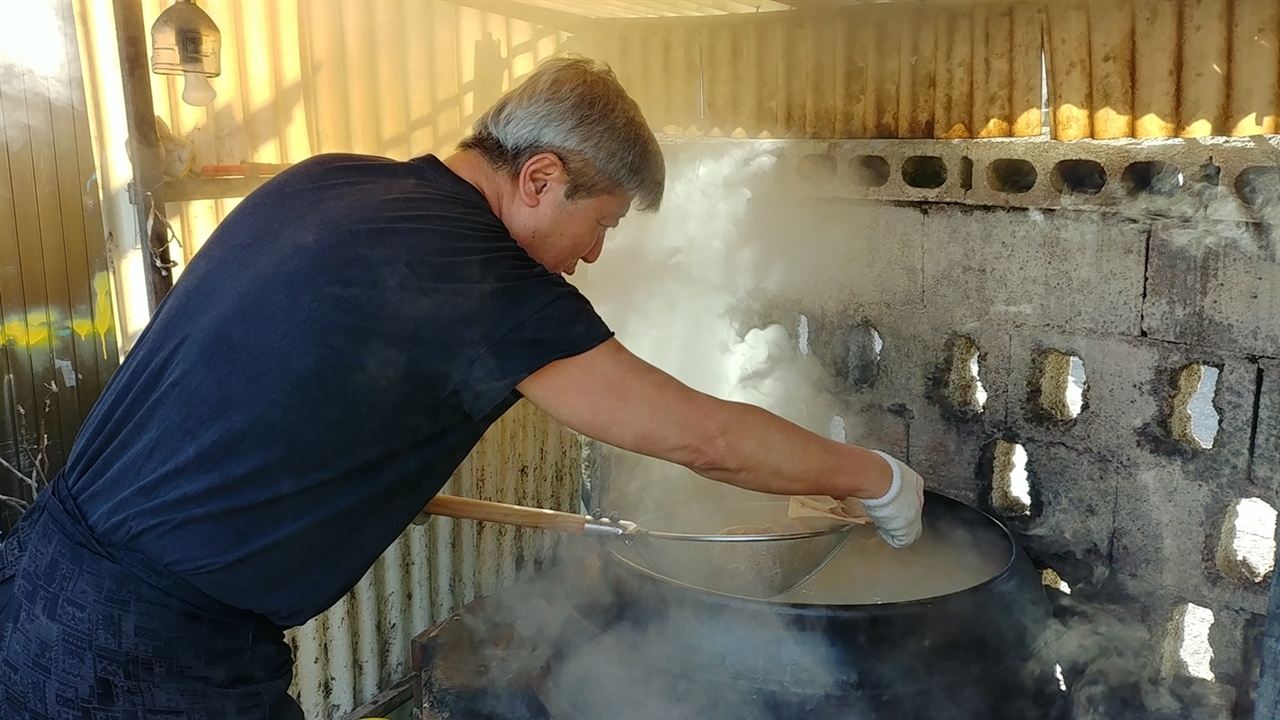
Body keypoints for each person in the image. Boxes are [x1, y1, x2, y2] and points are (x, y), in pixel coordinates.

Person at [0, 55, 925, 719]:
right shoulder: (485, 282)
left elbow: (263, 373)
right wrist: (873, 478)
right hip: (149, 657)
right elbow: (703, 439)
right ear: (540, 177)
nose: (593, 257)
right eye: (597, 226)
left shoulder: (329, 182)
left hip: (35, 578)